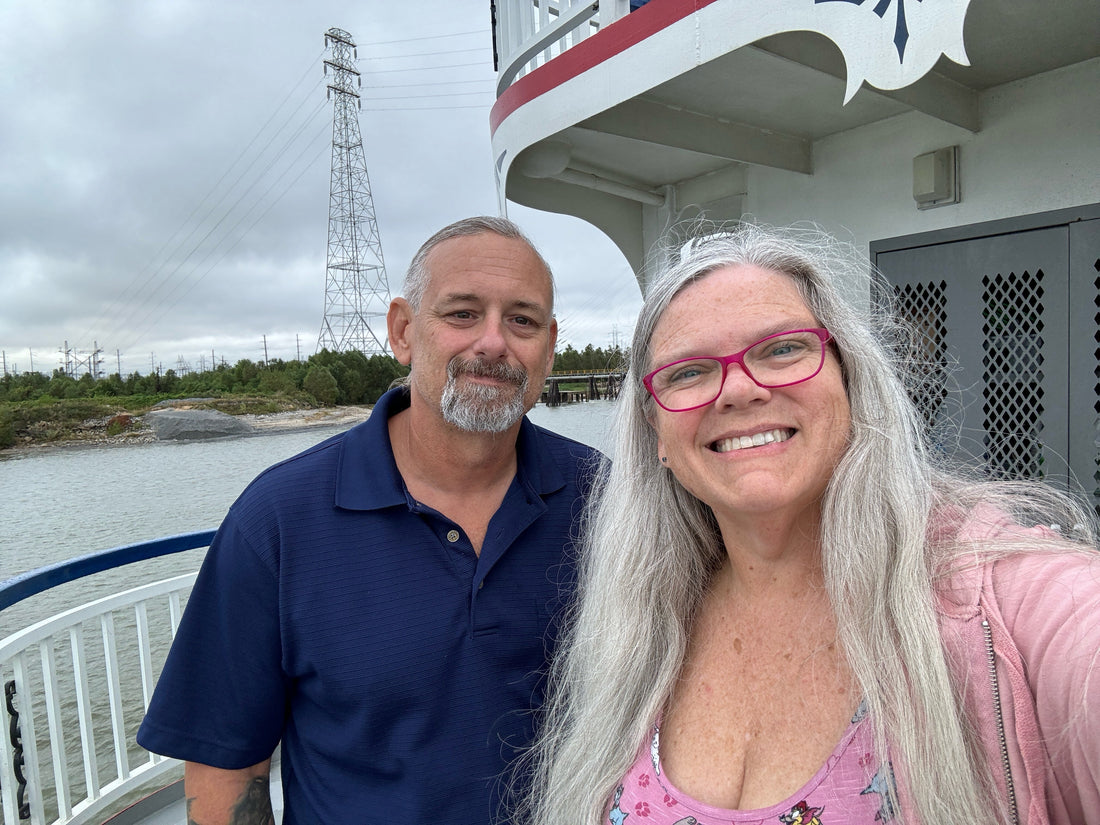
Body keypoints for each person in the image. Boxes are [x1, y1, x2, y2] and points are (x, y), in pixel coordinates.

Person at [516, 223, 1100, 824]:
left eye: (782, 349)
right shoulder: (641, 623)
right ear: (655, 433)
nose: (739, 390)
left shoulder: (999, 599)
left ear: (848, 379)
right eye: (688, 372)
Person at [137, 216, 602, 824]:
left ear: (549, 344)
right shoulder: (278, 521)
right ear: (404, 332)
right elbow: (228, 763)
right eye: (462, 314)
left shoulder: (606, 501)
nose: (493, 342)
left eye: (522, 320)